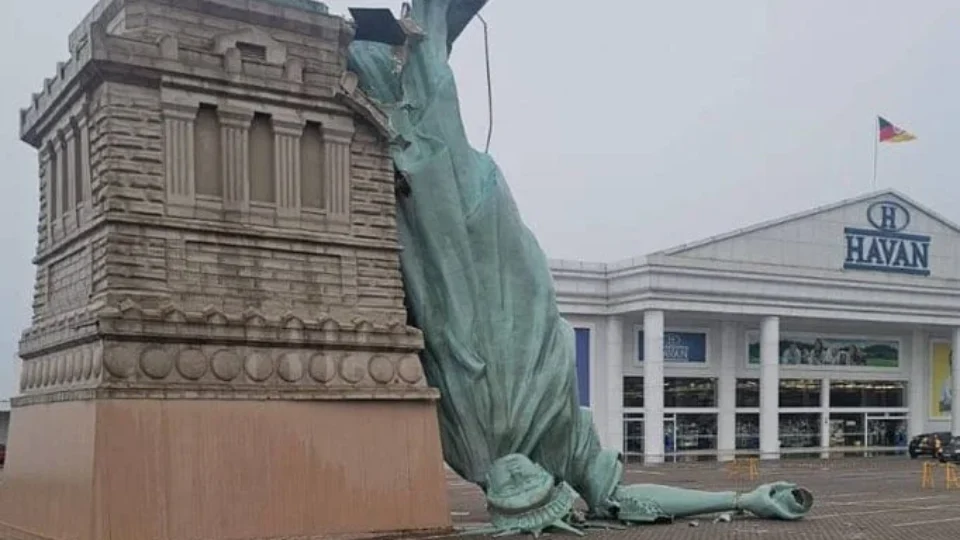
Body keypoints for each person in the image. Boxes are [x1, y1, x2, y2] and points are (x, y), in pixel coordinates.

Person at [346, 0, 814, 528]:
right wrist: (739, 499)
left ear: (496, 494)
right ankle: (424, 39)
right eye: (533, 487)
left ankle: (401, 49)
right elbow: (627, 500)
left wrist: (740, 500)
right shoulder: (569, 451)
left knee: (425, 158)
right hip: (518, 281)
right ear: (552, 487)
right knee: (457, 161)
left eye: (509, 492)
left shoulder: (471, 449)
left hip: (452, 270)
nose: (519, 478)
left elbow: (435, 314)